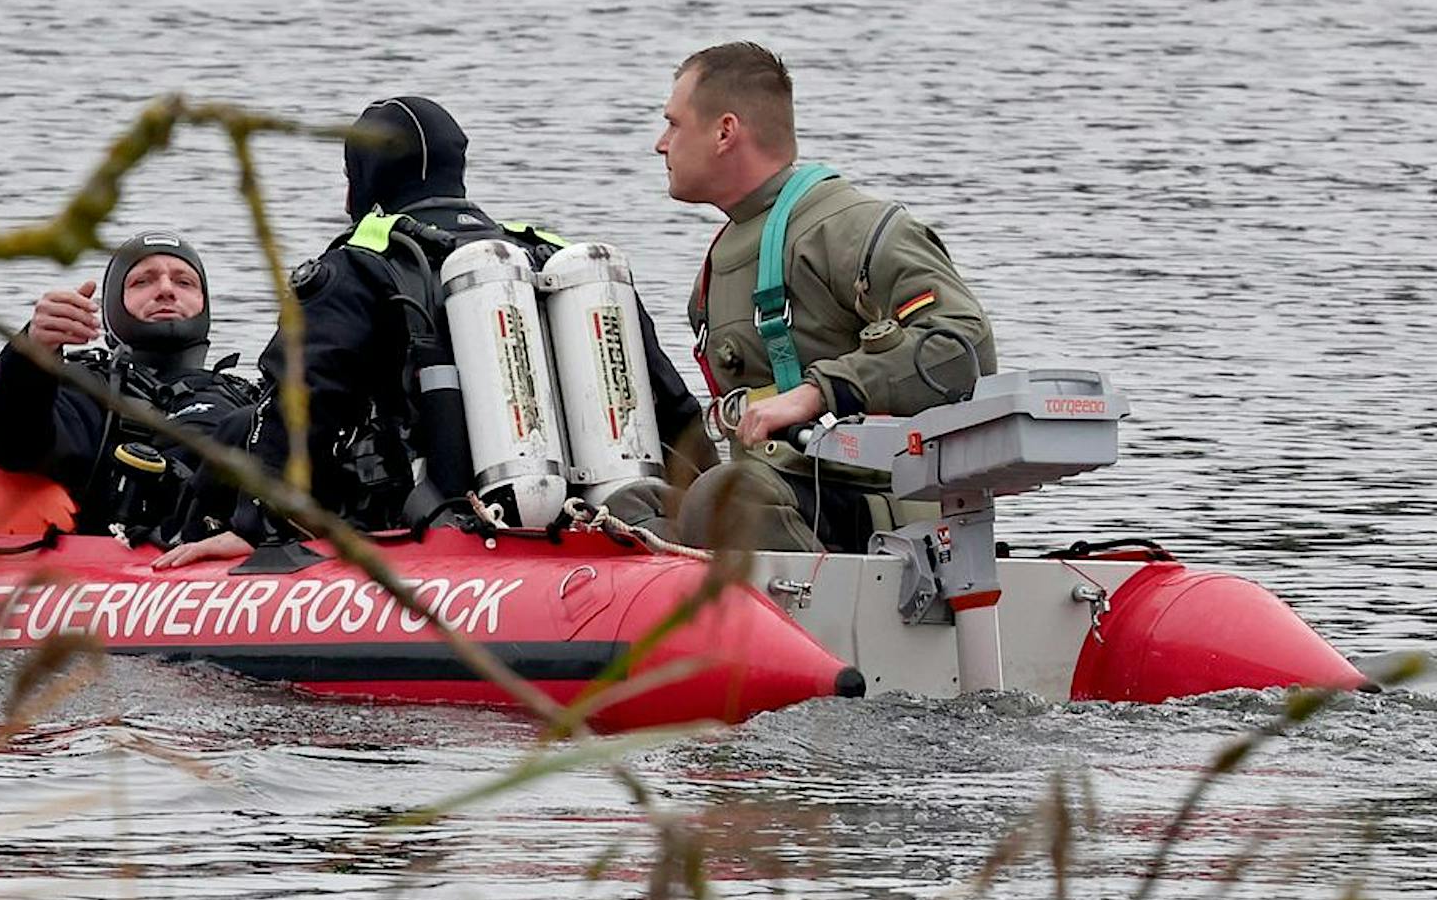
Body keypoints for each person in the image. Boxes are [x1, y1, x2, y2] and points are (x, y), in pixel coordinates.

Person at [157, 96, 712, 568]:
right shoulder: (549, 254)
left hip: (426, 523)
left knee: (232, 431)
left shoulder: (361, 263)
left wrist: (257, 523)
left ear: (364, 177)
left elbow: (302, 397)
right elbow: (663, 395)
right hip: (588, 511)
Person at [657, 42, 998, 553]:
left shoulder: (848, 230)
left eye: (674, 124)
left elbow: (962, 346)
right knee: (635, 503)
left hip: (875, 509)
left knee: (726, 499)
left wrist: (820, 392)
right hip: (783, 497)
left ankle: (820, 622)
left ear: (725, 132)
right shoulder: (717, 269)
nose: (661, 144)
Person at [0, 230, 258, 543]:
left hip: (241, 554)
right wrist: (33, 350)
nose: (165, 290)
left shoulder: (244, 395)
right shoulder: (84, 388)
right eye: (142, 281)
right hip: (120, 562)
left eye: (184, 282)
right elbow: (10, 443)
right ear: (112, 306)